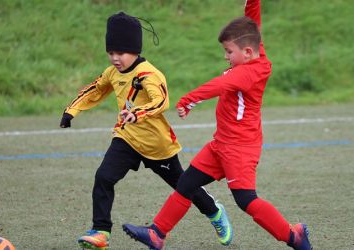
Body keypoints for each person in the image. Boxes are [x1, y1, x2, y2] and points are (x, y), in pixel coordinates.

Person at [122, 1, 312, 250]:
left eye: (228, 52)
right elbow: (253, 24)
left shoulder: (250, 72)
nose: (225, 56)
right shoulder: (254, 52)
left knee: (246, 200)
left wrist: (190, 99)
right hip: (222, 143)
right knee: (187, 183)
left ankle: (293, 236)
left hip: (240, 148)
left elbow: (220, 86)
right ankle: (157, 233)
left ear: (246, 52)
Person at [59, 11, 233, 249]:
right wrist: (71, 111)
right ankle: (101, 231)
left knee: (183, 186)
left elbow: (161, 101)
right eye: (111, 53)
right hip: (127, 138)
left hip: (156, 144)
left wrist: (137, 112)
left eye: (120, 53)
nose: (114, 58)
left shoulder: (149, 74)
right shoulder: (112, 72)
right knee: (103, 177)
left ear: (135, 50)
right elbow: (95, 90)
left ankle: (214, 212)